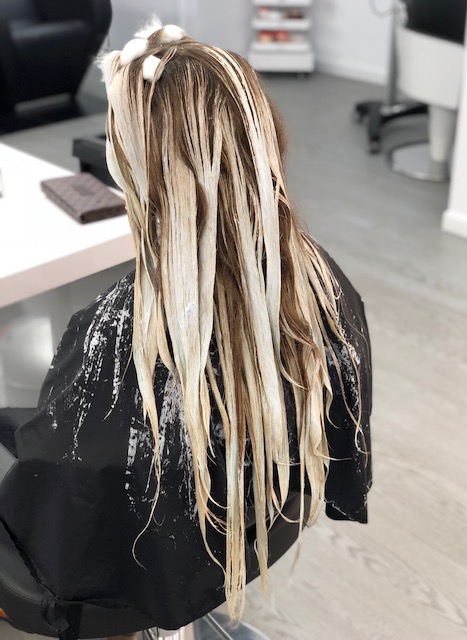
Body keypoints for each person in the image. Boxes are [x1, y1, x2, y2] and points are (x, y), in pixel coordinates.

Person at [0, 20, 372, 637]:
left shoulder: (113, 339)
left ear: (134, 168)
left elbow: (60, 515)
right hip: (253, 519)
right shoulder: (322, 286)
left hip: (116, 573)